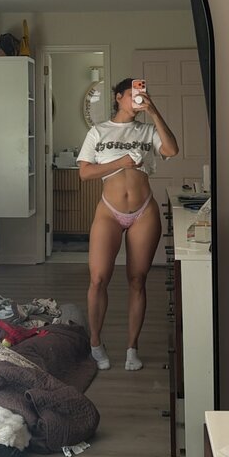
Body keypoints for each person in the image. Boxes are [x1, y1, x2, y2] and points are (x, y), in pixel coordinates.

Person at [77, 78, 179, 371]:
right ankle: (95, 343)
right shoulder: (98, 131)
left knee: (137, 280)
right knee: (98, 279)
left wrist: (154, 112)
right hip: (109, 212)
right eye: (133, 93)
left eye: (142, 93)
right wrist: (120, 163)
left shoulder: (148, 130)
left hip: (143, 211)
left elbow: (171, 150)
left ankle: (132, 347)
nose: (138, 98)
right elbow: (85, 173)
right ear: (118, 97)